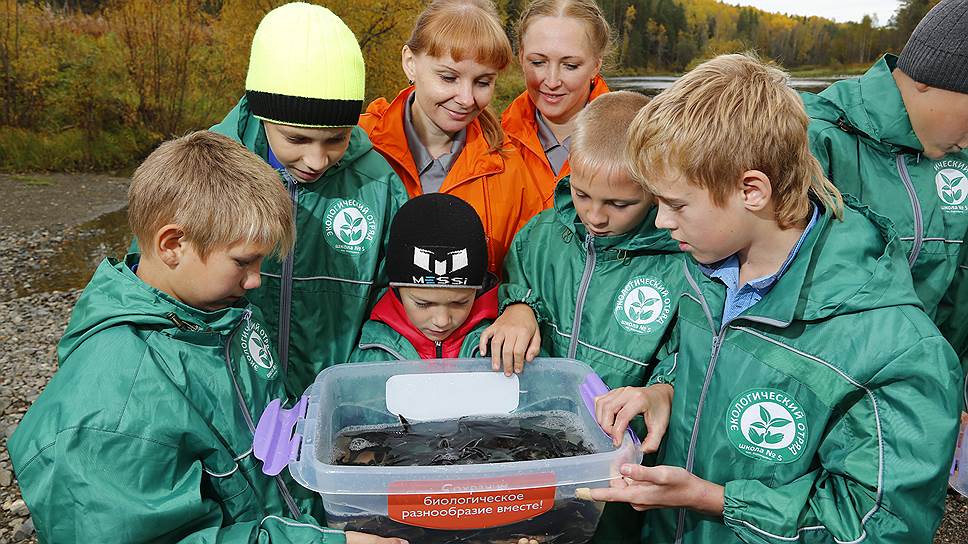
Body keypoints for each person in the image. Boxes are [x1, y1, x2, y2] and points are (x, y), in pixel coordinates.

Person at [588, 54, 963, 544]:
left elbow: (880, 524)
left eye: (675, 204)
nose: (659, 222)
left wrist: (714, 500)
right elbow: (711, 368)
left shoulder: (897, 351)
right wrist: (664, 393)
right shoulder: (704, 269)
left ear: (752, 190)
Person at [8, 132, 404, 544]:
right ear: (173, 244)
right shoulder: (113, 413)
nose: (254, 281)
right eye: (243, 262)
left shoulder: (222, 315)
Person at [481, 90, 681, 543]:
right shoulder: (542, 234)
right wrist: (518, 306)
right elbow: (517, 280)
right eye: (583, 193)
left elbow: (683, 354)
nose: (595, 215)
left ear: (654, 189)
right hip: (533, 449)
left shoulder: (678, 262)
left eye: (618, 204)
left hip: (620, 464)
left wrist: (659, 389)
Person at [211, 2, 408, 394]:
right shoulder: (207, 173)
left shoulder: (378, 186)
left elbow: (399, 303)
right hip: (231, 397)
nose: (317, 160)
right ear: (263, 113)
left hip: (337, 402)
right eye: (297, 139)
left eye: (336, 139)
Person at [800, 0, 968, 376]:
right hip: (827, 386)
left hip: (924, 387)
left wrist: (952, 389)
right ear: (927, 76)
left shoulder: (959, 161)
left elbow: (960, 298)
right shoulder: (813, 138)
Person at [358, 0, 546, 277]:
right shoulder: (359, 147)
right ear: (410, 63)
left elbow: (529, 273)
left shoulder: (512, 169)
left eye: (482, 82)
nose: (466, 99)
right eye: (448, 78)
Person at [350, 193, 497, 361]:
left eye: (459, 303)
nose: (442, 321)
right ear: (397, 290)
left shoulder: (500, 339)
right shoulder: (372, 352)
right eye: (423, 304)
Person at [502, 0, 612, 203]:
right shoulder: (493, 141)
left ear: (596, 66)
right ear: (521, 57)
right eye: (538, 62)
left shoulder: (633, 143)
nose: (552, 81)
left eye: (570, 65)